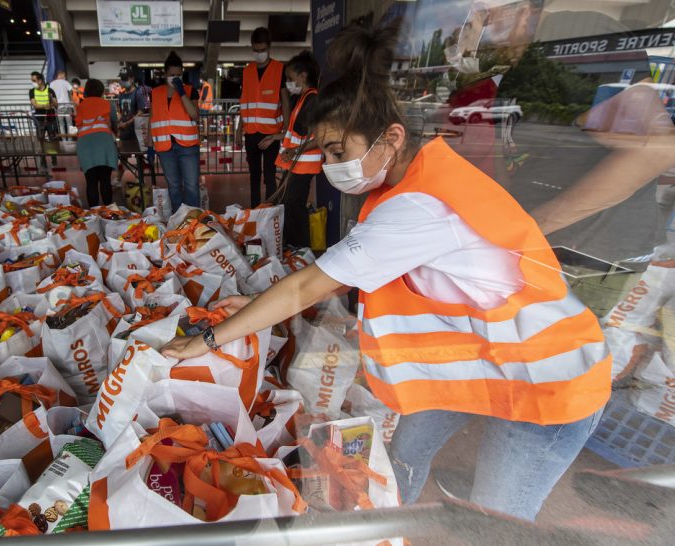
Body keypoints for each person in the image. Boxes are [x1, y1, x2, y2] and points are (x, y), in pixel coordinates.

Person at [162, 18, 610, 523]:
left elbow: (311, 284)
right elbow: (353, 280)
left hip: (549, 377)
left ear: (392, 136)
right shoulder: (411, 176)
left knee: (496, 518)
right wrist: (258, 308)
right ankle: (392, 530)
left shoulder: (416, 207)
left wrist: (211, 339)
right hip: (474, 360)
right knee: (400, 459)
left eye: (338, 152)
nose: (332, 166)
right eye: (325, 154)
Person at [236, 26, 291, 207]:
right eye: (256, 50)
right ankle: (254, 211)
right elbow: (244, 103)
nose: (259, 53)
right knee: (253, 176)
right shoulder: (246, 72)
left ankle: (270, 210)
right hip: (251, 133)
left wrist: (286, 131)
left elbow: (285, 102)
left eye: (262, 50)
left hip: (270, 134)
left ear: (269, 47)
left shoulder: (279, 70)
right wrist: (238, 129)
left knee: (269, 175)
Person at [272, 51, 322, 248]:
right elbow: (293, 131)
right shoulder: (302, 98)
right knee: (287, 204)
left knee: (295, 206)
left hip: (303, 165)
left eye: (290, 79)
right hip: (295, 164)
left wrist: (295, 151)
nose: (288, 83)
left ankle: (301, 247)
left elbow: (319, 136)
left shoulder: (312, 100)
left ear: (303, 76)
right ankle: (292, 244)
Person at [148, 51, 200, 212]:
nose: (175, 78)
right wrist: (150, 147)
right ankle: (179, 222)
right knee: (174, 188)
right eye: (172, 75)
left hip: (188, 146)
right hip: (165, 148)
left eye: (179, 75)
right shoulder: (155, 93)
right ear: (165, 74)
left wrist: (182, 93)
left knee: (191, 186)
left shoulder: (190, 91)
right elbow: (152, 120)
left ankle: (193, 222)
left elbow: (194, 115)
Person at [75, 79, 118, 207]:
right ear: (101, 91)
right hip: (105, 145)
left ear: (87, 91)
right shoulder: (108, 104)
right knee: (105, 181)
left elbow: (78, 125)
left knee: (91, 181)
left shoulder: (81, 106)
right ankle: (108, 213)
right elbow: (114, 123)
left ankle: (93, 213)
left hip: (86, 147)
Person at [29, 71, 56, 142]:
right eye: (31, 80)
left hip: (51, 118)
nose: (32, 82)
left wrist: (52, 99)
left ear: (40, 81)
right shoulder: (32, 91)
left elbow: (56, 105)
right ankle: (43, 153)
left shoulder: (50, 90)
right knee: (41, 140)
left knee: (53, 140)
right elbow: (34, 105)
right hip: (39, 120)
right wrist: (45, 106)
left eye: (34, 80)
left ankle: (53, 153)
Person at [49, 70, 75, 136]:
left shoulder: (52, 84)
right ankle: (70, 139)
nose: (65, 77)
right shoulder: (65, 82)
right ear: (61, 74)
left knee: (61, 124)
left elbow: (50, 95)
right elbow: (72, 90)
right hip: (67, 105)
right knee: (69, 123)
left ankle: (63, 140)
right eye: (64, 75)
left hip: (57, 106)